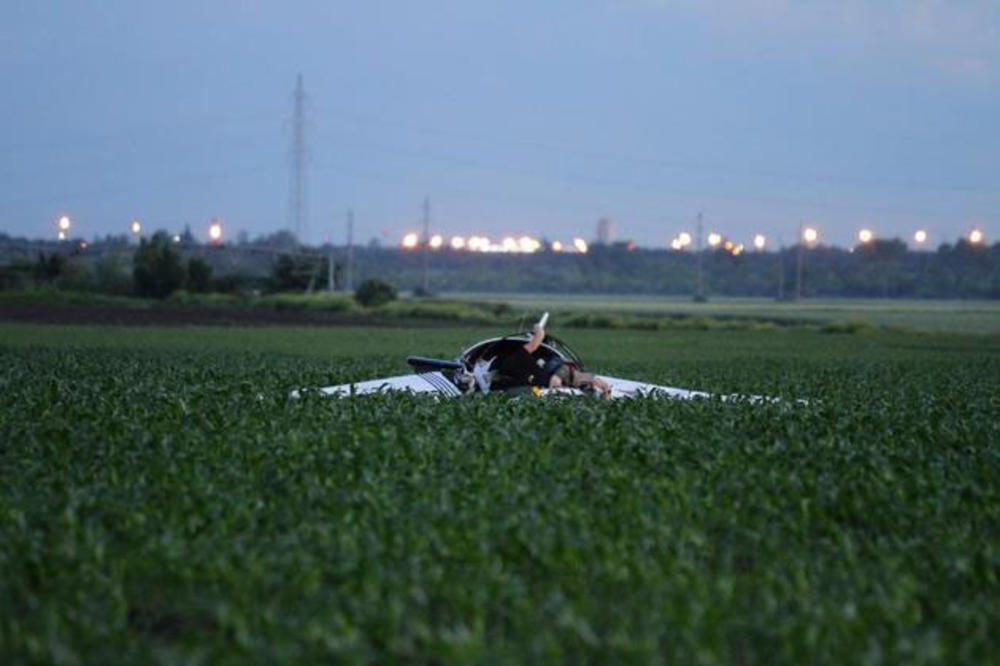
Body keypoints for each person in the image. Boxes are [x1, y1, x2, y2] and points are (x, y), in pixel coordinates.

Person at [497, 322, 611, 398]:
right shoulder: (517, 357)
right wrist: (538, 329)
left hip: (561, 375)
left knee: (601, 384)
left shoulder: (536, 359)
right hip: (553, 381)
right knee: (556, 382)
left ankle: (602, 393)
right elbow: (536, 341)